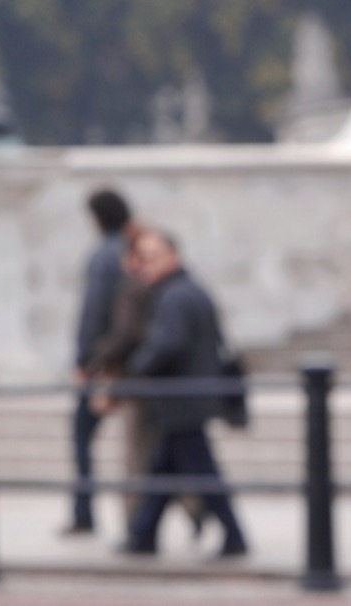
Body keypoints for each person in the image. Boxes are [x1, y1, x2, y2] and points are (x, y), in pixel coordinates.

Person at [123, 229, 247, 557]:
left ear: (173, 257)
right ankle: (142, 535)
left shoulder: (174, 296)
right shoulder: (189, 290)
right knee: (163, 468)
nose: (145, 266)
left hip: (182, 400)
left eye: (153, 258)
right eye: (142, 258)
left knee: (201, 473)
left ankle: (235, 537)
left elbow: (168, 344)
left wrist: (136, 365)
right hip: (188, 398)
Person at [64, 189, 132, 535]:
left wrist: (83, 360)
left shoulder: (103, 256)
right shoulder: (132, 251)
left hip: (104, 363)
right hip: (131, 360)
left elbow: (92, 313)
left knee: (81, 436)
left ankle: (83, 512)